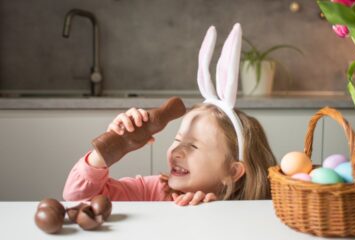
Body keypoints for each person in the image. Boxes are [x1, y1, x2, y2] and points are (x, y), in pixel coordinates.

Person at [63, 23, 277, 206]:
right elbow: (77, 199)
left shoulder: (250, 212)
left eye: (193, 146)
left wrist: (213, 215)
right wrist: (110, 147)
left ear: (232, 171)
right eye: (177, 140)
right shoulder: (152, 190)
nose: (176, 151)